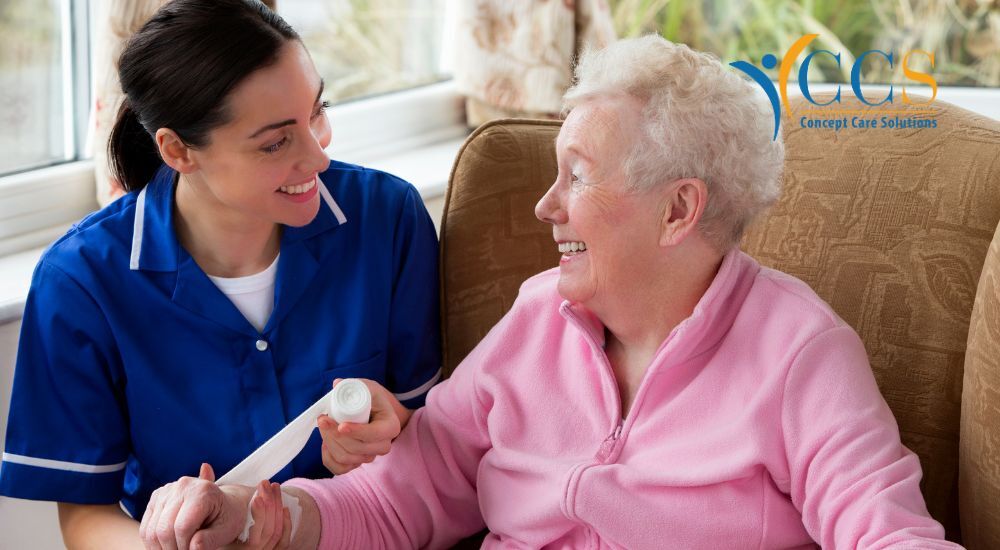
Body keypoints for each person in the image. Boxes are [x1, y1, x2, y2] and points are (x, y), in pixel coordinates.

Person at [143, 35, 961, 549]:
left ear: (679, 209)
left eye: (577, 175)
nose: (545, 206)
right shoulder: (540, 316)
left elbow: (884, 530)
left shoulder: (798, 352)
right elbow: (400, 502)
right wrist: (253, 518)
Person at [0, 0, 441, 546]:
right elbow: (84, 516)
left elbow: (435, 434)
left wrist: (388, 424)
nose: (319, 157)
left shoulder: (387, 218)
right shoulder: (80, 282)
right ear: (178, 150)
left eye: (316, 113)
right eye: (277, 141)